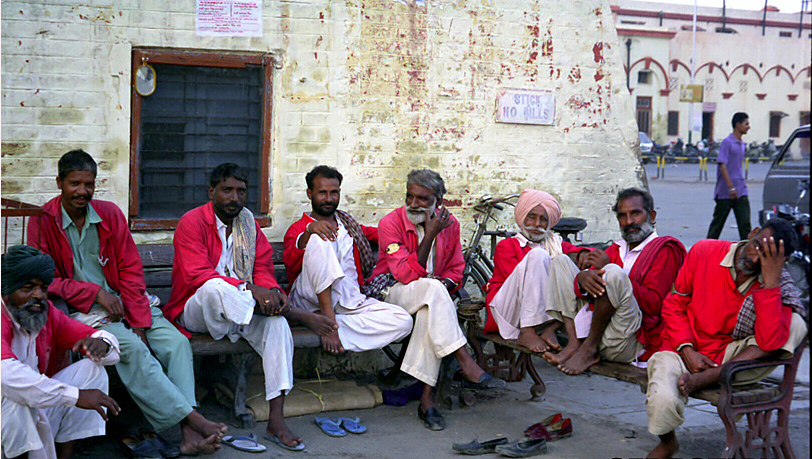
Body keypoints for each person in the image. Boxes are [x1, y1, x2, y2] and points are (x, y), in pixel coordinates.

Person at [27, 150, 227, 455]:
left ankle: (187, 433)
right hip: (83, 312)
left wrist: (139, 322)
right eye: (74, 183)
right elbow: (44, 279)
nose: (82, 191)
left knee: (175, 343)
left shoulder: (109, 214)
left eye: (89, 184)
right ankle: (193, 419)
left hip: (127, 305)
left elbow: (131, 271)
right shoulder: (43, 220)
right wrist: (95, 293)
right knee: (132, 348)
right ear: (59, 183)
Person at [164, 163, 303, 451]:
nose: (234, 198)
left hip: (241, 312)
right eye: (227, 190)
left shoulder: (248, 225)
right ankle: (264, 310)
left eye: (241, 191)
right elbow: (196, 275)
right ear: (211, 191)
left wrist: (273, 292)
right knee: (215, 287)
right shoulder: (192, 222)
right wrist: (250, 290)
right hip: (198, 310)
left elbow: (262, 267)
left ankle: (276, 420)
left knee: (277, 325)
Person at [645, 218, 807, 459]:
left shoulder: (774, 281)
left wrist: (771, 283)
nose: (755, 259)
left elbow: (770, 342)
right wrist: (688, 350)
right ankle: (668, 443)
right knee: (663, 397)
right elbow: (674, 304)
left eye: (766, 257)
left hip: (730, 358)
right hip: (683, 348)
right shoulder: (704, 251)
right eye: (757, 246)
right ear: (752, 232)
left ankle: (710, 377)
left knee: (795, 324)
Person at [368, 169, 505, 431]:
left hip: (431, 298)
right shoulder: (391, 223)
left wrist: (447, 285)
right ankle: (465, 360)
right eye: (409, 196)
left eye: (422, 198)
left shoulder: (450, 224)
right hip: (392, 293)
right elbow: (405, 275)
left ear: (438, 201)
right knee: (432, 290)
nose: (413, 204)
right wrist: (430, 234)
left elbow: (456, 269)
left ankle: (427, 402)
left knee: (429, 311)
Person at [544, 188, 686, 375]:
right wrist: (582, 278)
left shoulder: (664, 250)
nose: (629, 222)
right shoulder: (616, 248)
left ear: (651, 216)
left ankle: (589, 349)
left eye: (635, 213)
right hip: (593, 330)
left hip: (627, 340)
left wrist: (615, 276)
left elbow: (655, 305)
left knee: (612, 272)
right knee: (561, 262)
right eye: (622, 216)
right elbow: (589, 289)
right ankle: (574, 342)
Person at [2, 245, 121, 459]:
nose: (38, 295)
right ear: (6, 290)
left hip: (34, 404)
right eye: (28, 288)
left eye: (43, 288)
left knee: (90, 370)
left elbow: (99, 337)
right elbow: (7, 376)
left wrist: (102, 344)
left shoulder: (45, 313)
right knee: (16, 401)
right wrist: (75, 396)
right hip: (7, 413)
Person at [283, 165, 413, 354]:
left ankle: (321, 323)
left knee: (403, 321)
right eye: (322, 193)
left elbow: (383, 234)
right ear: (310, 194)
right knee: (318, 239)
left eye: (334, 192)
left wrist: (416, 235)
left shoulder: (348, 225)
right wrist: (310, 231)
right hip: (309, 299)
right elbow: (291, 263)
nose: (329, 199)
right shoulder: (300, 229)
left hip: (348, 301)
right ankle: (328, 320)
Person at [483, 189, 591, 352]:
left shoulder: (556, 244)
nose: (537, 224)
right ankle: (528, 331)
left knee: (564, 265)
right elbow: (524, 286)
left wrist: (583, 253)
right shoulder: (507, 246)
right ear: (522, 218)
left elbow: (578, 253)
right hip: (510, 311)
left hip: (544, 313)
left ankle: (551, 328)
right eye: (532, 217)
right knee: (539, 256)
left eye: (543, 219)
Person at [707, 112, 751, 240]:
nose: (748, 127)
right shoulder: (727, 142)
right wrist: (730, 187)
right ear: (738, 125)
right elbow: (722, 165)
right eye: (746, 124)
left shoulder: (742, 144)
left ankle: (747, 249)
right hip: (726, 191)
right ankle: (707, 248)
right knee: (717, 225)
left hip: (741, 189)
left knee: (745, 224)